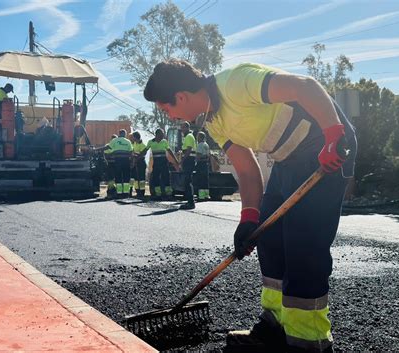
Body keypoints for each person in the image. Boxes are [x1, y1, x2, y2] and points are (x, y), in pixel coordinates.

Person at [144, 59, 357, 352]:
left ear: (181, 97)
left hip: (325, 146)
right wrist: (248, 219)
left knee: (303, 246)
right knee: (267, 237)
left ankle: (310, 342)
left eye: (167, 109)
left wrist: (334, 135)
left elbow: (306, 87)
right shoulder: (212, 120)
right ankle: (274, 327)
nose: (171, 116)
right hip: (287, 159)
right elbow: (246, 169)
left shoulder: (236, 83)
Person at [143, 128, 173, 200]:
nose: (162, 136)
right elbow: (145, 150)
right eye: (161, 135)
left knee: (166, 178)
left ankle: (168, 194)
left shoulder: (164, 142)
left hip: (164, 163)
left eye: (163, 135)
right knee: (156, 178)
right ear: (157, 135)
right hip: (156, 163)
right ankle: (158, 194)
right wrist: (139, 157)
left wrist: (176, 161)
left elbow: (169, 151)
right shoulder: (151, 142)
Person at [103, 129, 133, 198]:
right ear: (125, 134)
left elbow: (108, 147)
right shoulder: (128, 141)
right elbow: (131, 152)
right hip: (126, 162)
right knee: (126, 177)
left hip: (118, 162)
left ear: (119, 134)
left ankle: (119, 193)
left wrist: (97, 149)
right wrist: (132, 162)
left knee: (118, 177)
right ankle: (125, 193)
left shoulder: (114, 141)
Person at [179, 121, 197, 210]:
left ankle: (191, 203)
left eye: (183, 127)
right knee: (187, 181)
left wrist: (182, 161)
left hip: (189, 160)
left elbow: (189, 150)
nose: (181, 129)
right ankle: (189, 201)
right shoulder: (187, 137)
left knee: (188, 181)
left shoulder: (189, 136)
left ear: (187, 128)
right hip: (188, 160)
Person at [131, 131, 147, 199]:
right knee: (136, 179)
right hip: (135, 163)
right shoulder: (134, 144)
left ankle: (142, 192)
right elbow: (134, 152)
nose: (132, 138)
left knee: (141, 179)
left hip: (141, 163)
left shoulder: (143, 145)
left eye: (133, 137)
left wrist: (135, 155)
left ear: (136, 137)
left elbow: (141, 155)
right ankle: (137, 191)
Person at [195, 131, 210, 201]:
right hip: (205, 164)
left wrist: (195, 161)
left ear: (200, 137)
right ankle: (206, 195)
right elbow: (208, 156)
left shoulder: (200, 145)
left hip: (200, 164)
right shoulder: (206, 145)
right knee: (205, 180)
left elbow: (198, 156)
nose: (197, 138)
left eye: (198, 137)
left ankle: (201, 196)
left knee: (200, 180)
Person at [104, 134, 118, 199]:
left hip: (110, 164)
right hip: (113, 164)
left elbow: (106, 155)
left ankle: (111, 192)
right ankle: (111, 192)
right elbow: (106, 155)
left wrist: (110, 155)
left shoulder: (108, 145)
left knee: (111, 179)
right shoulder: (110, 146)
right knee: (112, 179)